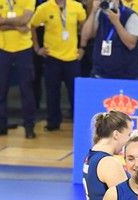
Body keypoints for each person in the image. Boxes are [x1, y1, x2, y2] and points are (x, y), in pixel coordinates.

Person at [30, 0, 86, 132]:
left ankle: (78, 121)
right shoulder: (44, 8)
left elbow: (85, 27)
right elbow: (32, 25)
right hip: (52, 57)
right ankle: (53, 121)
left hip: (72, 57)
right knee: (52, 92)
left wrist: (82, 47)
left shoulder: (77, 7)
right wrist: (37, 48)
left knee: (75, 93)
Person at [0, 0, 37, 138]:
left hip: (23, 48)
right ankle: (0, 124)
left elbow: (25, 19)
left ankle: (29, 126)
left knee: (26, 89)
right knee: (1, 88)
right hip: (2, 48)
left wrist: (3, 21)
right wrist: (16, 25)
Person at [80, 0, 138, 80]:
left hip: (125, 76)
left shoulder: (131, 15)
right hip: (100, 73)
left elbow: (131, 44)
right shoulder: (100, 13)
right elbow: (85, 36)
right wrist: (93, 12)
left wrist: (116, 22)